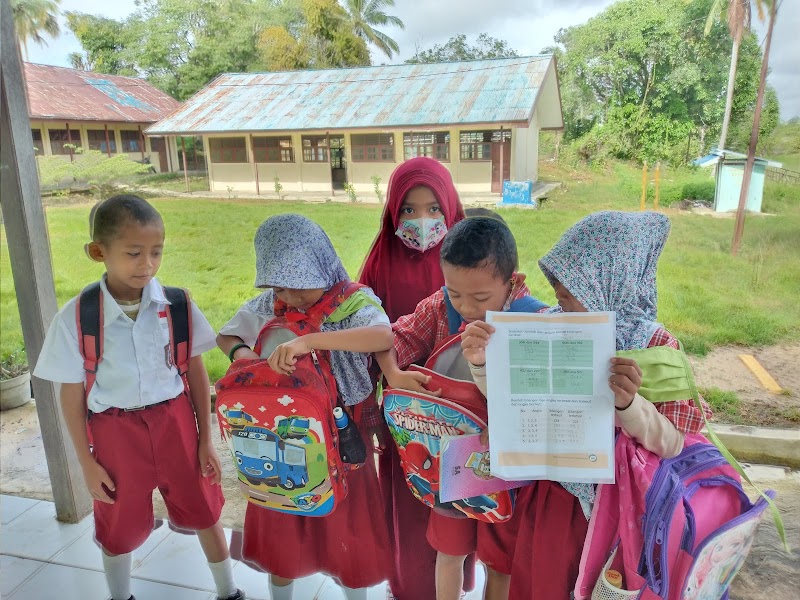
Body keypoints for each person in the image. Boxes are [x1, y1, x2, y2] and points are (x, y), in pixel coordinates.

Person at [461, 211, 712, 598]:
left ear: (611, 280)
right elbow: (510, 400)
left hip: (619, 511)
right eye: (557, 285)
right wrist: (481, 363)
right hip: (554, 500)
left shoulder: (656, 348)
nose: (557, 294)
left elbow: (672, 444)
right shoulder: (550, 324)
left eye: (571, 287)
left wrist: (629, 405)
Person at [33, 195, 243, 600]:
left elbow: (196, 372)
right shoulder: (76, 318)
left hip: (175, 420)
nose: (146, 265)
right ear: (99, 252)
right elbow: (70, 396)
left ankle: (229, 591)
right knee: (116, 518)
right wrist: (86, 462)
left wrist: (204, 438)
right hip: (113, 430)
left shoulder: (177, 305)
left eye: (156, 252)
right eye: (133, 253)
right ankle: (120, 595)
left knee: (203, 507)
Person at [216, 214, 393, 600]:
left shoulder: (354, 300)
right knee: (282, 519)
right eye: (283, 286)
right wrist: (244, 355)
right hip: (280, 432)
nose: (292, 297)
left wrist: (310, 341)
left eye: (302, 286)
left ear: (323, 265)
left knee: (349, 526)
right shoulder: (269, 303)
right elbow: (226, 333)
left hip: (344, 431)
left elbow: (382, 335)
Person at [377, 217, 542, 600]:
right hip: (446, 466)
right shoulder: (439, 307)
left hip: (508, 473)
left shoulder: (536, 322)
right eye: (455, 293)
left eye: (480, 299)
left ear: (511, 281)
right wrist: (394, 374)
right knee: (448, 553)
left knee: (500, 562)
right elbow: (391, 338)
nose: (466, 307)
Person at [358, 157, 467, 600]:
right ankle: (408, 586)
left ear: (451, 208)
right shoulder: (380, 261)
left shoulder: (468, 256)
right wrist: (392, 376)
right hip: (404, 410)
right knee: (409, 498)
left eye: (433, 208)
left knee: (459, 502)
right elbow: (366, 329)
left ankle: (451, 587)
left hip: (462, 413)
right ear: (391, 212)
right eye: (408, 210)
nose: (422, 220)